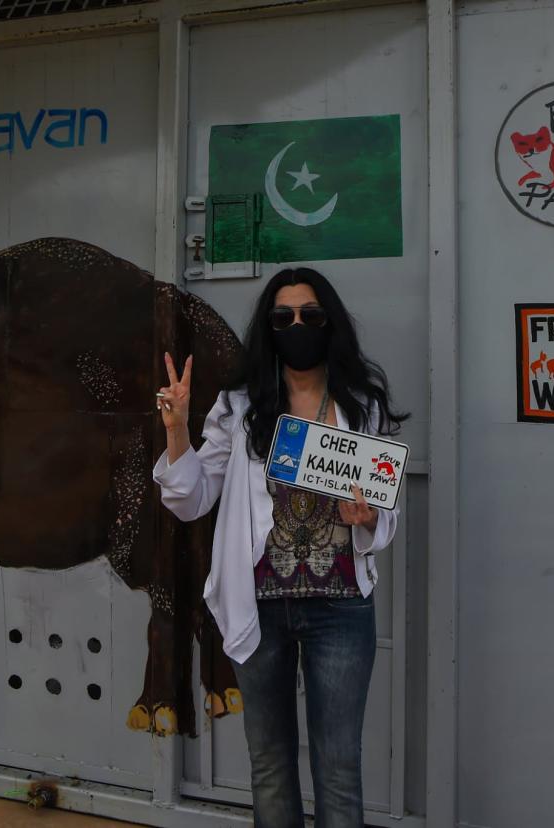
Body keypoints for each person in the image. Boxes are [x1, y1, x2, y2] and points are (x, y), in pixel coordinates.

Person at [152, 267, 407, 827]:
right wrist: (176, 431)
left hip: (341, 608)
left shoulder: (362, 407)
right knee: (268, 764)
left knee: (339, 769)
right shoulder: (241, 408)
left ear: (330, 324)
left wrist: (367, 520)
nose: (297, 326)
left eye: (311, 316)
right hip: (260, 608)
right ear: (268, 329)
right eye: (283, 317)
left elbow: (383, 514)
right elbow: (192, 499)